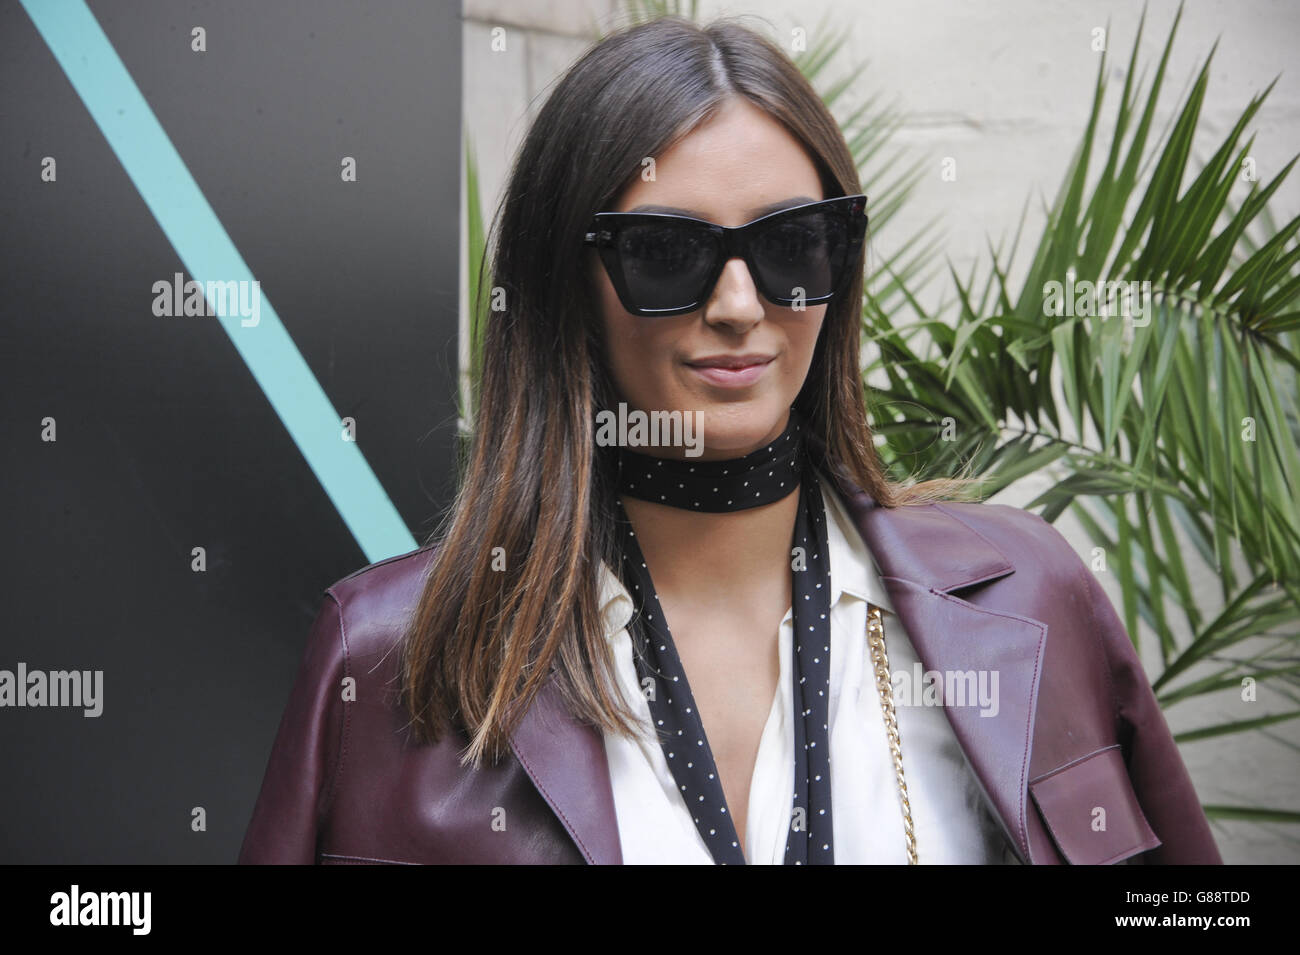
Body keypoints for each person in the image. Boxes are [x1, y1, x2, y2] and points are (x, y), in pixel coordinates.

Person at [238, 15, 1222, 865]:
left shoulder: (1029, 600)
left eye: (795, 245)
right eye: (669, 254)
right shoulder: (385, 657)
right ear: (567, 285)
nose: (741, 305)